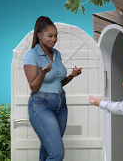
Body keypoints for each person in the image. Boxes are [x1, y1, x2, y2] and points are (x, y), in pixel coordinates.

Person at [23, 16, 82, 161]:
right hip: (42, 105)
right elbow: (34, 87)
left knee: (47, 151)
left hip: (61, 104)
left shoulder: (56, 54)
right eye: (50, 35)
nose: (54, 39)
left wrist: (72, 76)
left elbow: (58, 83)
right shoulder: (32, 55)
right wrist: (42, 73)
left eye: (56, 36)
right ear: (39, 35)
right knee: (56, 154)